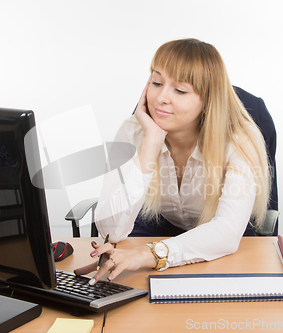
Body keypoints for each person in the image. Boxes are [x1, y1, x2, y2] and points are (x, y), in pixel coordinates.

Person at [75, 38, 270, 285]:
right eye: (156, 83)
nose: (160, 98)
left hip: (223, 242)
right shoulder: (134, 131)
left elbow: (227, 232)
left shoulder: (239, 138)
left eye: (179, 90)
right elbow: (112, 231)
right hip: (159, 227)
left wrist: (149, 254)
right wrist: (151, 142)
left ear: (208, 99)